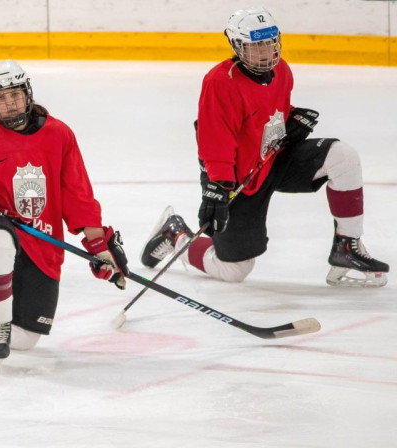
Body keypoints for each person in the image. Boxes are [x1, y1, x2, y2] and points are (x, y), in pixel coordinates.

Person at [140, 7, 388, 287]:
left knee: (343, 156)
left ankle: (347, 246)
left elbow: (269, 114)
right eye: (255, 45)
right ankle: (175, 235)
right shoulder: (220, 82)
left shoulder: (282, 71)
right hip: (235, 179)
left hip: (273, 160)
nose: (265, 52)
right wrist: (218, 188)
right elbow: (214, 139)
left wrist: (293, 121)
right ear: (236, 46)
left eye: (269, 43)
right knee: (233, 270)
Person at [0, 59, 128, 364]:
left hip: (40, 243)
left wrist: (98, 244)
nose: (10, 104)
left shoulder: (59, 135)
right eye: (0, 99)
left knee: (26, 339)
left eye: (14, 95)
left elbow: (77, 195)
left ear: (27, 93)